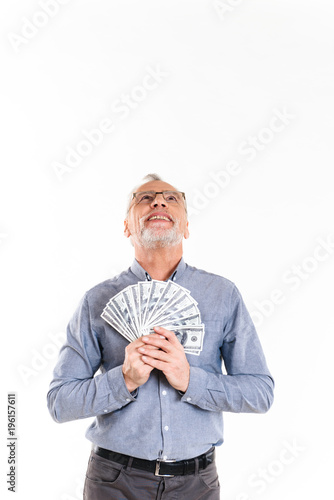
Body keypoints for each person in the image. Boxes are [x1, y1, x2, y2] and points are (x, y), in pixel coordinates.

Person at [47, 173, 274, 500]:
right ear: (127, 226)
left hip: (197, 483)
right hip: (114, 482)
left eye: (171, 198)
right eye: (145, 198)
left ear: (185, 226)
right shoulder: (96, 301)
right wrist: (123, 380)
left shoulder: (222, 295)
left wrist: (189, 379)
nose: (158, 201)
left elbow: (260, 393)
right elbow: (59, 402)